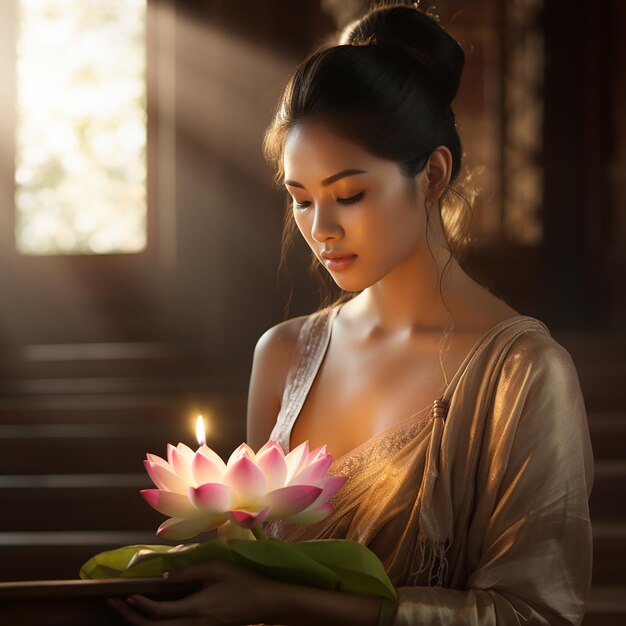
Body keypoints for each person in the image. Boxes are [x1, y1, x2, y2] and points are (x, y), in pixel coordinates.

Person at [109, 2, 594, 624]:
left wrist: (276, 600)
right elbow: (261, 565)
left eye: (349, 194)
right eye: (301, 200)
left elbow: (536, 615)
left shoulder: (523, 373)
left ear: (433, 174)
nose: (322, 229)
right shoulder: (284, 354)